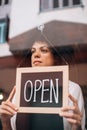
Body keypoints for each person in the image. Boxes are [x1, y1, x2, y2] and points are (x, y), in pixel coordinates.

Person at [0, 40, 86, 130]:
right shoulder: (20, 89)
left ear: (55, 58)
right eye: (33, 51)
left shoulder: (72, 89)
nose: (36, 55)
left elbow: (78, 126)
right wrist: (5, 122)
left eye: (44, 50)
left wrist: (77, 127)